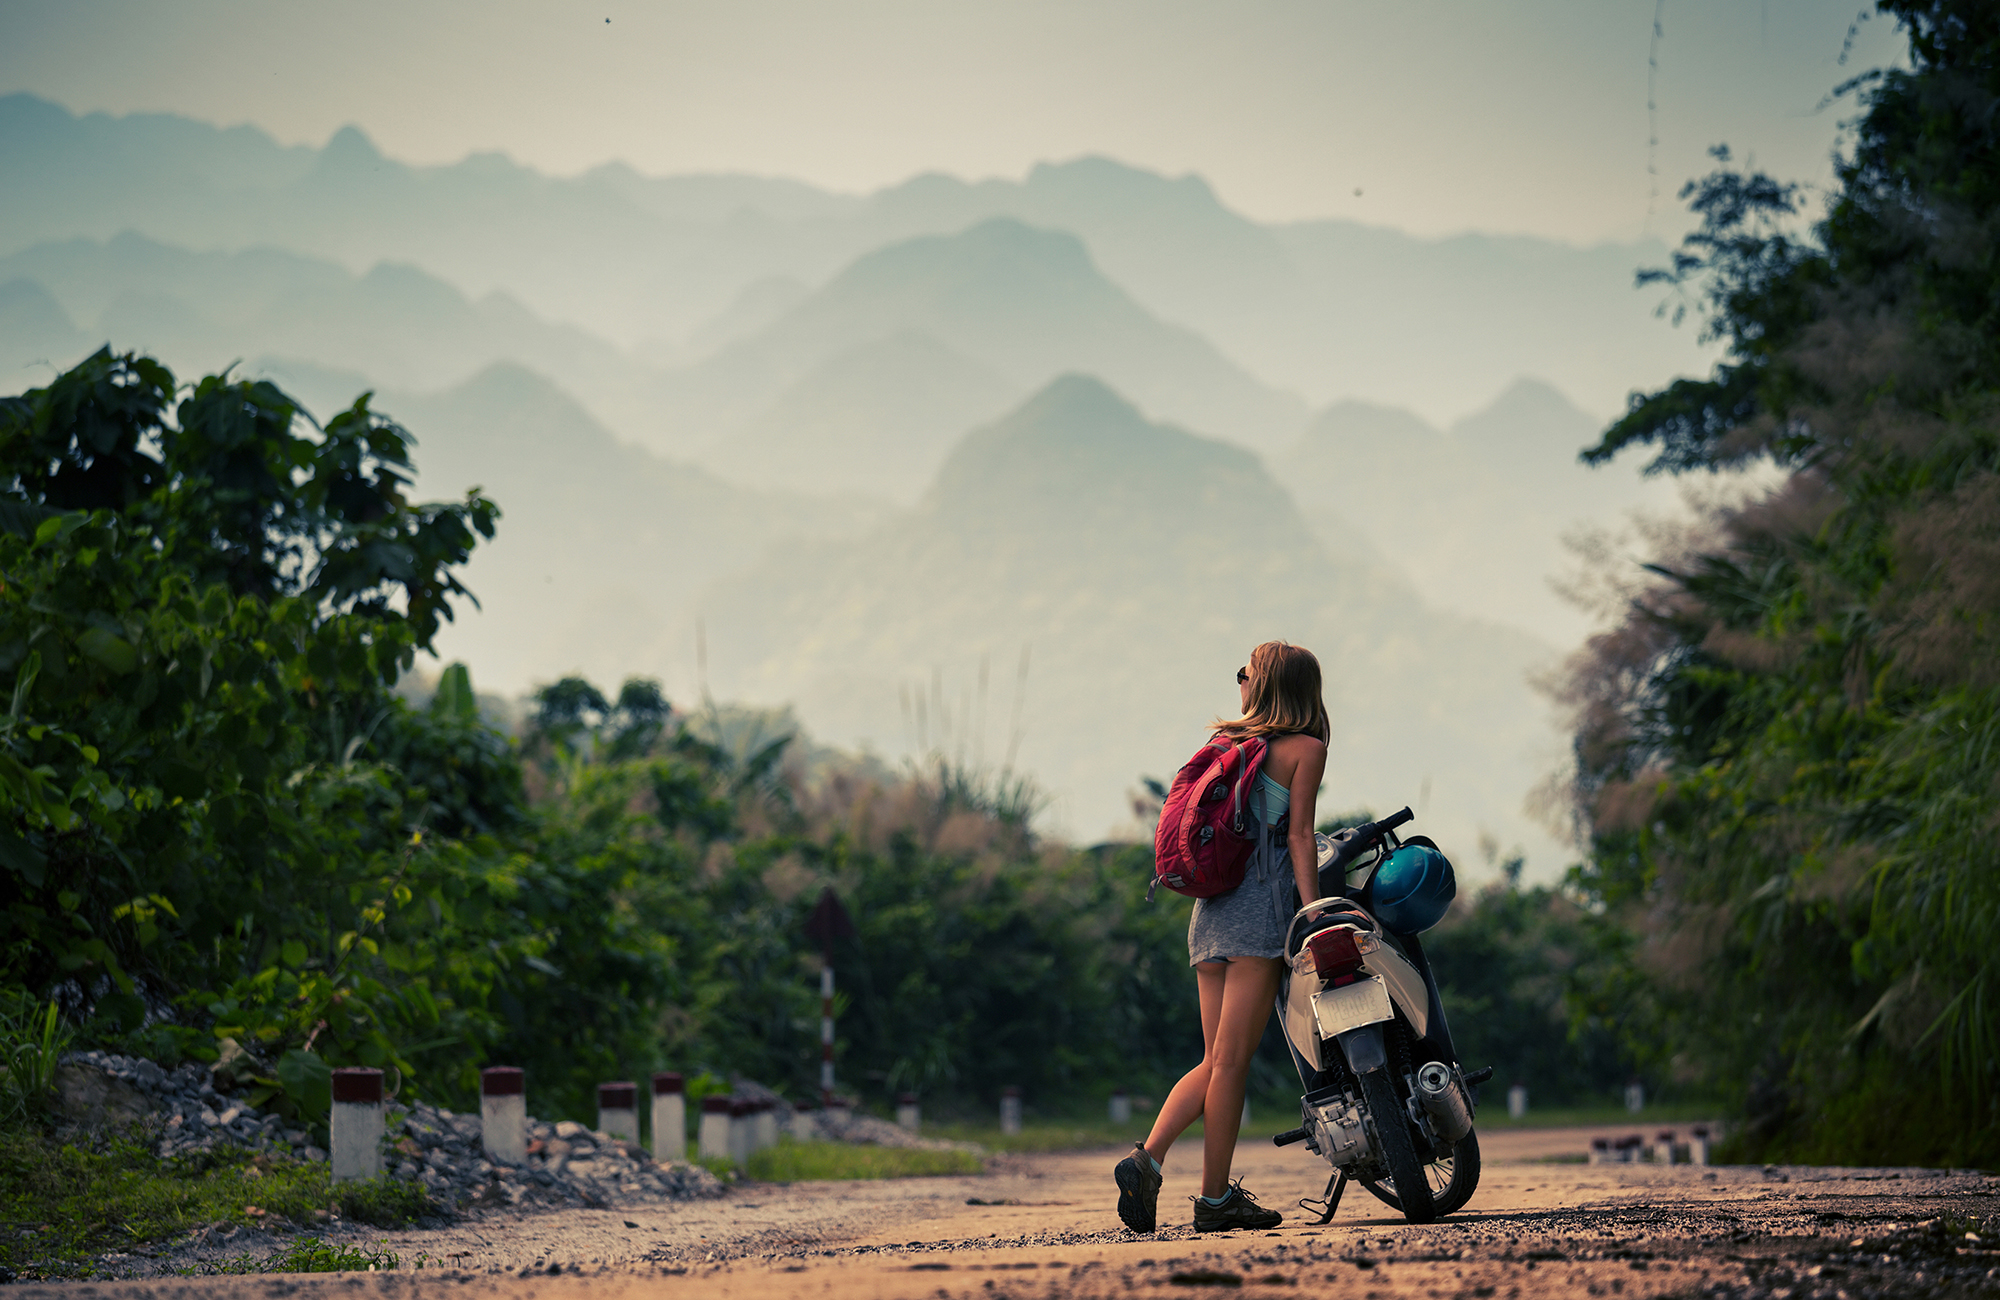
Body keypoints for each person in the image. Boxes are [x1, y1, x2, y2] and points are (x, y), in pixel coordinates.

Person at [1116, 641, 1331, 1234]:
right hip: (1258, 916)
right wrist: (1314, 912)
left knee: (1214, 1060)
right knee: (1230, 1065)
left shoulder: (1227, 745)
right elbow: (1300, 837)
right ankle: (1211, 1199)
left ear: (1262, 687)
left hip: (1208, 913)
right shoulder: (1305, 749)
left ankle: (1148, 1160)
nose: (1238, 683)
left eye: (1244, 675)